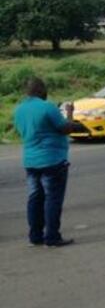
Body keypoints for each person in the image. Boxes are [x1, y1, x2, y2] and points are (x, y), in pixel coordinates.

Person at [13, 78, 84, 247]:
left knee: (34, 198)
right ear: (40, 90)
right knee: (52, 199)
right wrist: (70, 113)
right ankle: (52, 237)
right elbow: (66, 128)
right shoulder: (47, 107)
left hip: (30, 161)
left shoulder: (19, 110)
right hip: (52, 160)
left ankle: (35, 236)